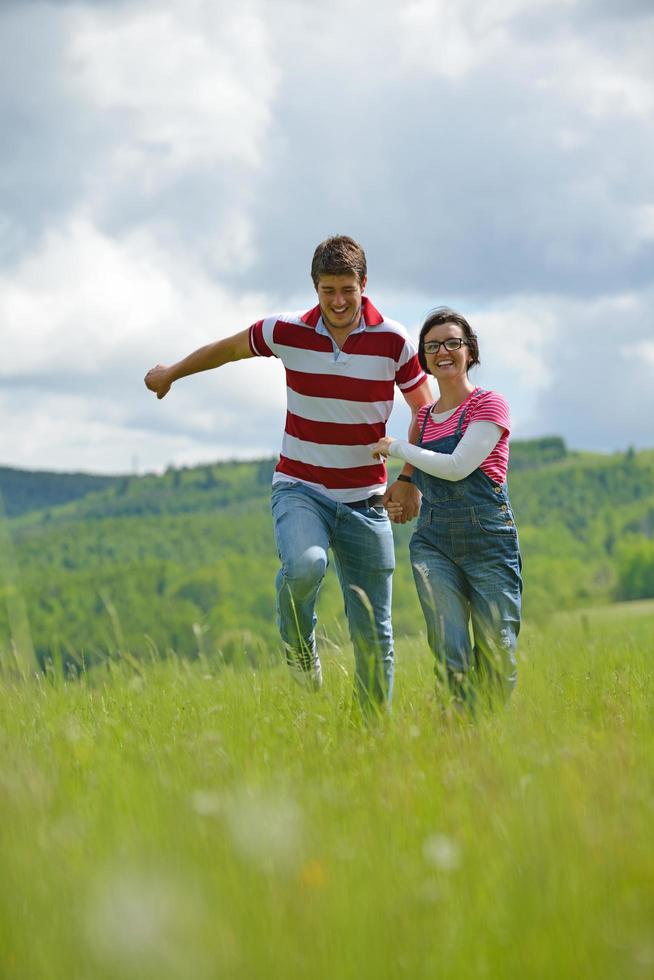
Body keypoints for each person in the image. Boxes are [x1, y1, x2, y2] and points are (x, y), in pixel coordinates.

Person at [145, 236, 432, 710]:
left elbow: (424, 412)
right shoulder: (286, 330)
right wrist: (172, 373)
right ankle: (301, 649)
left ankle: (370, 736)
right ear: (314, 288)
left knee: (374, 629)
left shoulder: (394, 341)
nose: (338, 302)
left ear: (364, 285)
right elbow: (228, 350)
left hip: (366, 499)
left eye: (347, 290)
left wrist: (409, 479)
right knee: (305, 566)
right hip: (301, 489)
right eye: (327, 291)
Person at [371, 307, 522, 711]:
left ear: (469, 351)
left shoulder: (489, 404)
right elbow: (414, 474)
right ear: (424, 358)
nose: (443, 351)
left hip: (489, 542)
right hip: (433, 543)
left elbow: (457, 468)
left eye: (453, 342)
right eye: (433, 345)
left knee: (498, 653)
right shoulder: (422, 419)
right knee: (448, 647)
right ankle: (458, 735)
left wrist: (395, 448)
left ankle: (487, 728)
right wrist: (401, 487)